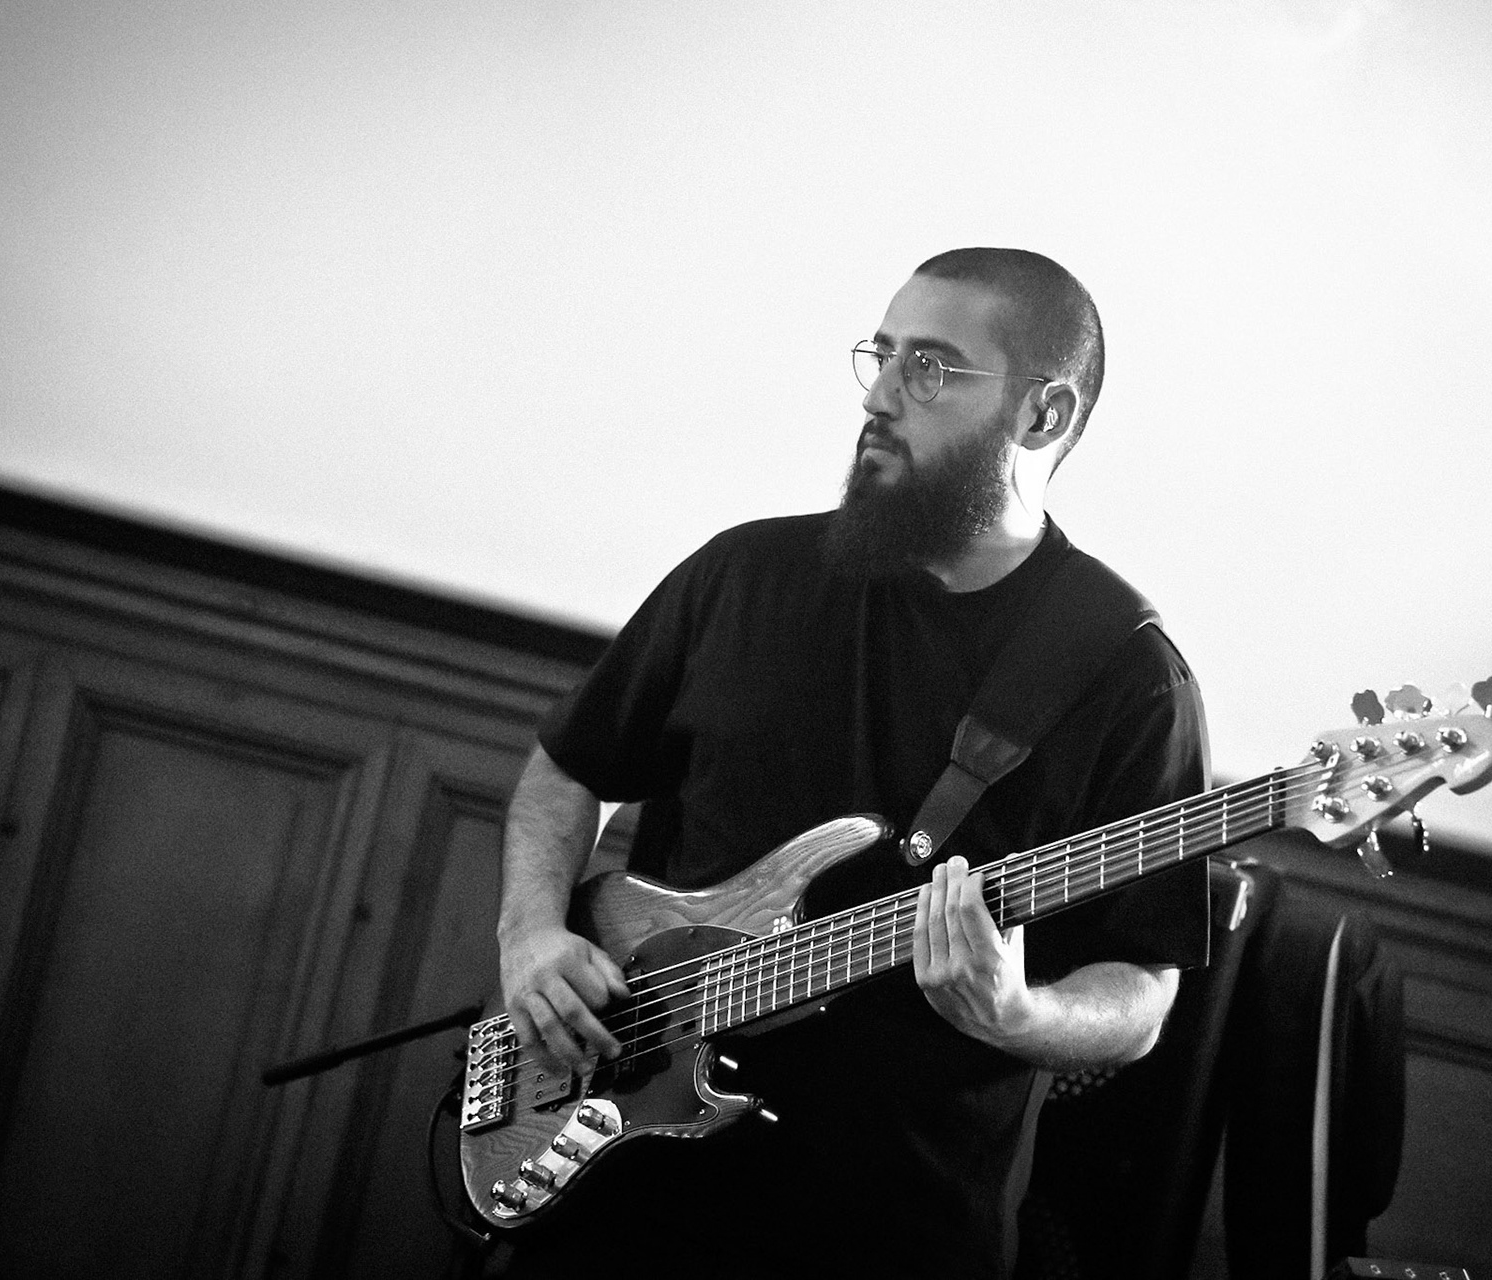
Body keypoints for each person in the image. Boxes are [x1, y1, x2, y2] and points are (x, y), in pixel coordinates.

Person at [495, 248, 1209, 1278]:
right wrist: (528, 935)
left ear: (1044, 416)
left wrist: (1019, 1011)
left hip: (887, 1228)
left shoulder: (1125, 672)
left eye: (931, 367)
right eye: (883, 354)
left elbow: (1142, 982)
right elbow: (567, 769)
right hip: (615, 1178)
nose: (879, 394)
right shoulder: (746, 572)